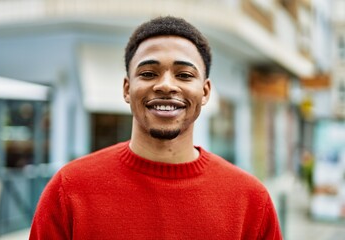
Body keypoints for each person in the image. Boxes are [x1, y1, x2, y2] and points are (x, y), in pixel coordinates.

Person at [30, 16, 283, 239]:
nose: (165, 85)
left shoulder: (250, 200)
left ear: (205, 92)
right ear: (127, 89)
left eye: (184, 75)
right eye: (149, 73)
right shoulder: (69, 189)